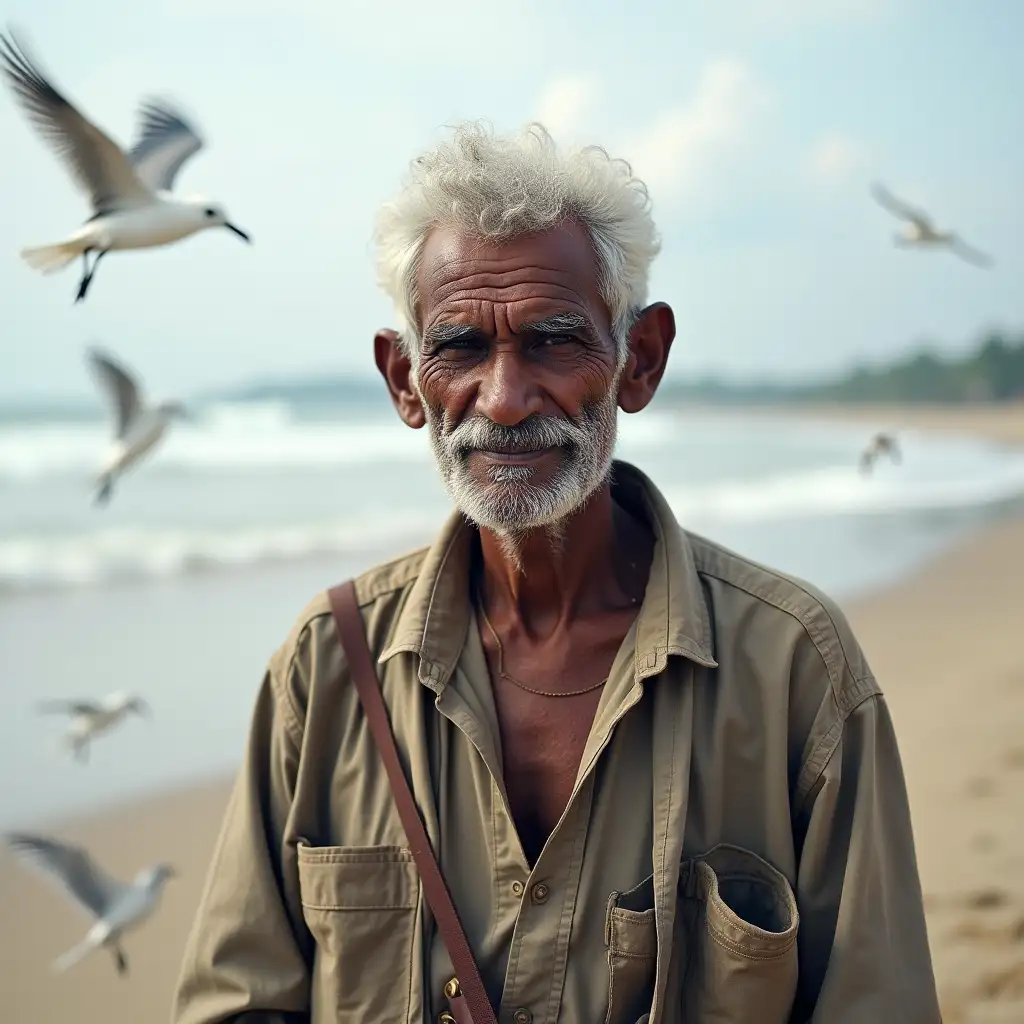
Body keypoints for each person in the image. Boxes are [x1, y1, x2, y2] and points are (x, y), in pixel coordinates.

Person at [171, 122, 942, 1024]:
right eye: (458, 347)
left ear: (639, 360)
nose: (503, 398)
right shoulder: (328, 669)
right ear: (404, 382)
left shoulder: (794, 668)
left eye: (552, 340)